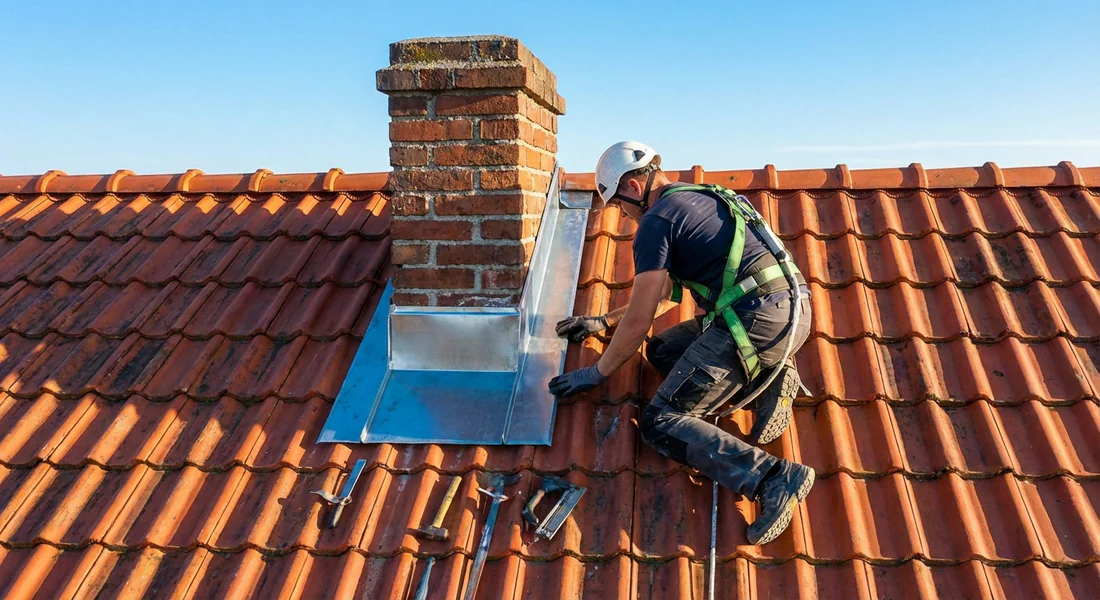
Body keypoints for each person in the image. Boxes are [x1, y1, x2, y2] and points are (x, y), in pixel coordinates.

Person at [548, 141, 815, 545]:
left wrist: (596, 372)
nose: (624, 215)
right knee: (662, 351)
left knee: (661, 422)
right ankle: (773, 375)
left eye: (620, 206)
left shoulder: (657, 222)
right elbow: (660, 297)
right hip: (792, 316)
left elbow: (639, 320)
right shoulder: (702, 197)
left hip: (753, 323)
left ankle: (773, 477)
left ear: (633, 188)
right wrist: (602, 321)